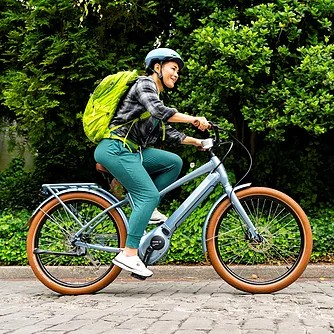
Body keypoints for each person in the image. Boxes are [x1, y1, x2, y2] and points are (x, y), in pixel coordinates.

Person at [94, 48, 210, 278]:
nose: (176, 74)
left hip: (132, 151)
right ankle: (129, 253)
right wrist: (194, 119)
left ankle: (146, 207)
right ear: (157, 67)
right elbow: (160, 112)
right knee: (148, 195)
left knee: (173, 163)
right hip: (116, 148)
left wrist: (198, 141)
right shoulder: (144, 84)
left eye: (177, 71)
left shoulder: (155, 94)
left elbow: (168, 132)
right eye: (173, 68)